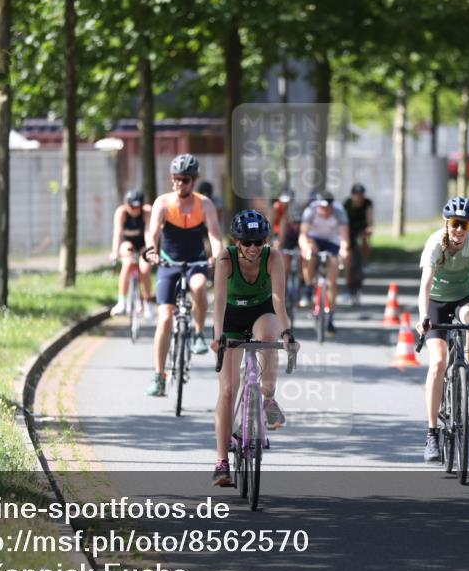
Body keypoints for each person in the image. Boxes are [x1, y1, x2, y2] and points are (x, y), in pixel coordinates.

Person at [209, 210, 296, 486]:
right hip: (231, 316)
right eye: (247, 242)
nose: (253, 248)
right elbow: (219, 302)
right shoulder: (226, 258)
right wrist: (218, 337)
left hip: (262, 312)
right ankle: (222, 461)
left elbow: (278, 299)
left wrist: (287, 334)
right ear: (237, 242)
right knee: (227, 391)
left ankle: (268, 397)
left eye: (259, 242)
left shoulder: (273, 257)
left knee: (269, 338)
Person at [416, 197, 469, 463]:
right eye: (455, 224)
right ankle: (432, 434)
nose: (459, 230)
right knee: (438, 363)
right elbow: (425, 285)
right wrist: (422, 318)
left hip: (466, 295)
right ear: (447, 223)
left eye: (465, 225)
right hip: (437, 301)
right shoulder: (434, 243)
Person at [143, 154, 224, 397]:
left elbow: (215, 236)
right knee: (165, 319)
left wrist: (216, 256)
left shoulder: (205, 204)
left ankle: (198, 333)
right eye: (176, 179)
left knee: (199, 287)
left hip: (196, 262)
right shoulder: (163, 203)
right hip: (168, 262)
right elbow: (153, 232)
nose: (180, 184)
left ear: (194, 180)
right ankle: (159, 375)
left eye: (185, 179)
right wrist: (151, 251)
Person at [299, 192, 350, 335]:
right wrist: (305, 248)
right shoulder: (310, 211)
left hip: (332, 242)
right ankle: (308, 288)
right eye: (322, 208)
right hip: (314, 240)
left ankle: (331, 317)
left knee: (332, 278)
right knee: (310, 254)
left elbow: (344, 237)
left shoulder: (339, 213)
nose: (325, 211)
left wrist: (344, 249)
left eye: (328, 208)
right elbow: (303, 235)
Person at [110, 188, 154, 319]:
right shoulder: (121, 212)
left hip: (142, 244)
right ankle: (122, 301)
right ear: (126, 205)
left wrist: (151, 251)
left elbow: (148, 232)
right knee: (127, 263)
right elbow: (117, 233)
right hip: (127, 244)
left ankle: (148, 303)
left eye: (137, 207)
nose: (135, 211)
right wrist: (114, 252)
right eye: (132, 207)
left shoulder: (147, 211)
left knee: (145, 269)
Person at [343, 183, 373, 304]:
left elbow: (370, 218)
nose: (358, 198)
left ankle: (365, 263)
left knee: (365, 240)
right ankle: (348, 286)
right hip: (349, 230)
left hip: (361, 229)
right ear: (352, 195)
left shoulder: (367, 203)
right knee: (348, 258)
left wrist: (370, 228)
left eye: (361, 195)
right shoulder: (347, 204)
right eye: (356, 195)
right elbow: (343, 222)